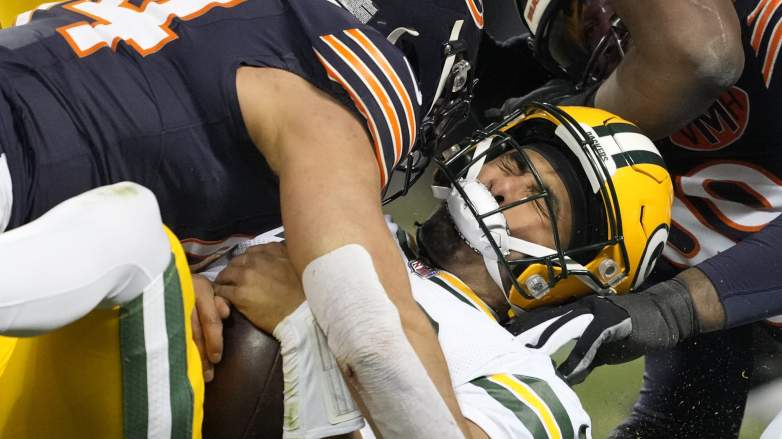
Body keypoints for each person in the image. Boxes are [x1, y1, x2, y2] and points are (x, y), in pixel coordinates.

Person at [0, 0, 484, 436]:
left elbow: (145, 123)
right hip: (14, 164)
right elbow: (372, 331)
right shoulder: (353, 70)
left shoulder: (236, 22)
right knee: (134, 232)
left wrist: (194, 281)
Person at [202, 104, 673, 438]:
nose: (504, 186)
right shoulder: (344, 211)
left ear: (586, 268)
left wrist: (306, 328)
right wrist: (192, 285)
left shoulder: (532, 385)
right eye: (512, 162)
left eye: (543, 202)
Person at [502, 1, 782, 438]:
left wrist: (671, 308)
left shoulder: (767, 32)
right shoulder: (644, 175)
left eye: (592, 7)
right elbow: (688, 419)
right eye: (575, 34)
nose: (603, 37)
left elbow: (699, 55)